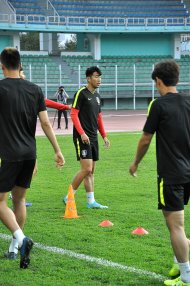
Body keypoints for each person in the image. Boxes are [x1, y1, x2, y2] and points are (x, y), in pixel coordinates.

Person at [0, 47, 65, 268]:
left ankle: (21, 239)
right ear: (20, 65)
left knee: (0, 201)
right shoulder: (35, 89)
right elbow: (46, 123)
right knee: (18, 199)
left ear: (2, 66)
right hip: (30, 154)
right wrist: (57, 150)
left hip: (8, 154)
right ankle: (13, 248)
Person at [129, 60, 190, 286]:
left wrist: (135, 162)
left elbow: (146, 138)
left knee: (175, 225)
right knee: (175, 223)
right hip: (188, 172)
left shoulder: (159, 105)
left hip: (171, 174)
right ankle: (178, 262)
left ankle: (185, 277)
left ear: (157, 80)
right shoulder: (188, 101)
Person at [63, 66, 110, 209]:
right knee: (86, 169)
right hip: (82, 137)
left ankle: (91, 202)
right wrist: (82, 133)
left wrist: (104, 135)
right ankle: (68, 197)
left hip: (93, 137)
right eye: (96, 76)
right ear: (88, 78)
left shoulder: (97, 96)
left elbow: (99, 118)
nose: (99, 79)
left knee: (91, 171)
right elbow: (73, 114)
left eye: (100, 77)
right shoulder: (81, 94)